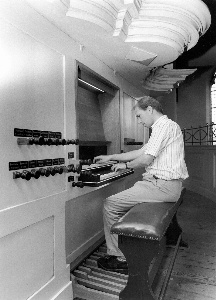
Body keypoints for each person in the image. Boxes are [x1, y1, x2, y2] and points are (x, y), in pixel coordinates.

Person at [93, 96, 188, 274]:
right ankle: (131, 245)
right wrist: (111, 157)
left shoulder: (163, 126)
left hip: (162, 187)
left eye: (139, 116)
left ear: (150, 109)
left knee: (110, 203)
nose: (139, 121)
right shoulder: (164, 127)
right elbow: (139, 151)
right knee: (124, 197)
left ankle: (120, 258)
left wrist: (125, 166)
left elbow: (145, 158)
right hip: (161, 184)